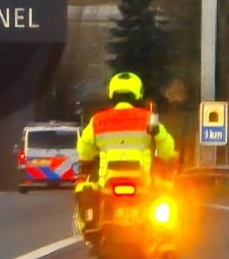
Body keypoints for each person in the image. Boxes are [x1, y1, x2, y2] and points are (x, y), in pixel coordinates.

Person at [74, 71, 178, 240]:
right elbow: (167, 148)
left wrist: (87, 164)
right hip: (142, 181)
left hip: (107, 181)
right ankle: (164, 241)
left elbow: (84, 150)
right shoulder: (149, 118)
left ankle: (91, 227)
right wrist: (169, 157)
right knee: (166, 196)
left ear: (111, 93)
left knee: (84, 189)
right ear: (138, 93)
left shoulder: (98, 120)